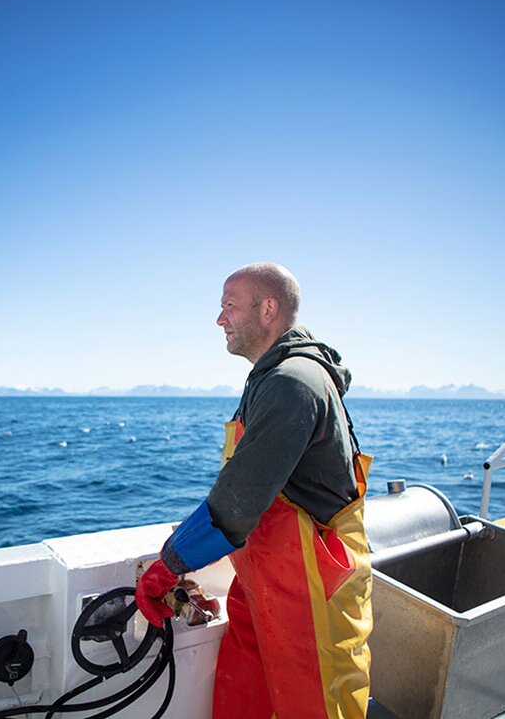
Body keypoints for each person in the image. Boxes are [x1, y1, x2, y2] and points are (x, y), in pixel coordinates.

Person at [134, 262, 372, 719]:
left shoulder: (291, 383)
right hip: (269, 580)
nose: (219, 319)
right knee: (245, 698)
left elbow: (237, 502)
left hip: (310, 592)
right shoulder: (271, 377)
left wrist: (168, 566)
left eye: (229, 306)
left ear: (268, 309)